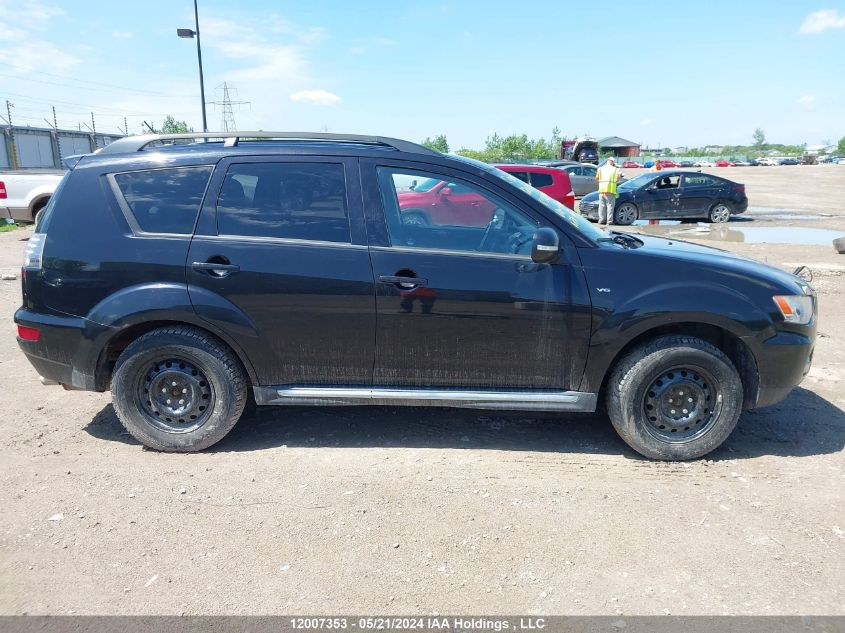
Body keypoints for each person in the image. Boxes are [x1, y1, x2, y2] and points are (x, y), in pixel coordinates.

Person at [595, 156, 620, 226]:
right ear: (612, 163)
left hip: (601, 190)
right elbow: (618, 179)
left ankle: (602, 220)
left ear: (607, 161)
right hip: (610, 190)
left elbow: (597, 178)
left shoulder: (600, 169)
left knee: (602, 206)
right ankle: (609, 221)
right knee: (610, 206)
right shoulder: (615, 169)